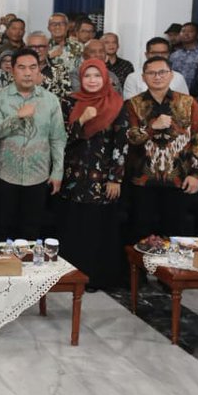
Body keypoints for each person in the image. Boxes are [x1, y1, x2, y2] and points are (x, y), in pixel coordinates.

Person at [57, 59, 128, 291]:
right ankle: (72, 276)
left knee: (98, 229)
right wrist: (82, 120)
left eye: (97, 76)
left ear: (106, 78)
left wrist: (115, 178)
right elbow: (60, 137)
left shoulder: (117, 104)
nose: (92, 80)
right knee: (75, 226)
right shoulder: (69, 102)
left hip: (102, 180)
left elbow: (121, 144)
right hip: (73, 177)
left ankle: (97, 278)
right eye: (87, 76)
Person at [0, 49, 67, 241]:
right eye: (21, 68)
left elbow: (57, 138)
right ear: (12, 70)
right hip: (3, 173)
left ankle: (29, 269)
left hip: (37, 176)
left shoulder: (50, 100)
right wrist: (17, 117)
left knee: (30, 233)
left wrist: (58, 172)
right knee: (0, 232)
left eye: (33, 67)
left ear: (39, 71)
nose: (28, 73)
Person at [125, 56, 198, 238]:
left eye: (162, 72)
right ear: (143, 77)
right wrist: (151, 127)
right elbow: (129, 138)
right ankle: (139, 267)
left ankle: (170, 268)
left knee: (174, 233)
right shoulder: (133, 104)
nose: (157, 77)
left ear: (171, 76)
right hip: (142, 180)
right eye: (151, 73)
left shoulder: (188, 103)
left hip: (178, 179)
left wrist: (196, 175)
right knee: (140, 232)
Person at [122, 38, 190, 97]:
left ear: (169, 54)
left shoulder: (178, 77)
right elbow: (130, 106)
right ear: (147, 54)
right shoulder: (133, 78)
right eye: (154, 53)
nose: (159, 56)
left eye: (163, 53)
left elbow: (186, 105)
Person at [169, 22, 198, 91]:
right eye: (183, 31)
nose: (186, 34)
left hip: (196, 93)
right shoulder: (174, 55)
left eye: (190, 31)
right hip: (175, 92)